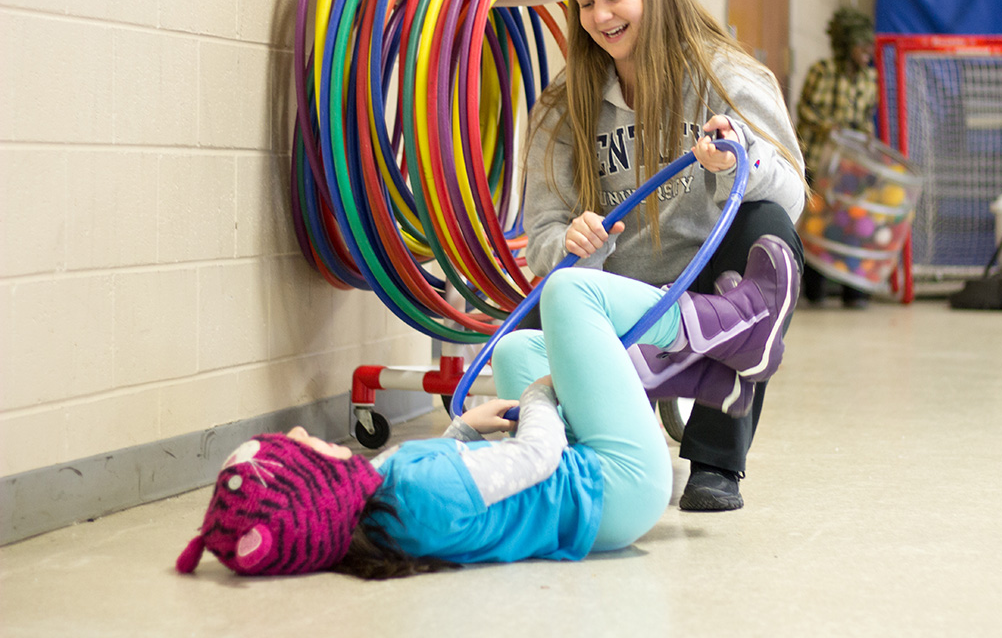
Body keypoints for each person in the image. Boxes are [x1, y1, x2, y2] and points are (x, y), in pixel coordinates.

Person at [176, 236, 799, 578]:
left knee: (522, 346)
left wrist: (461, 429)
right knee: (568, 293)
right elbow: (534, 454)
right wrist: (540, 398)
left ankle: (717, 382)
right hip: (618, 485)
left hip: (590, 500)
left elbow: (462, 480)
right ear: (311, 488)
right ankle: (739, 325)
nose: (294, 432)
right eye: (291, 451)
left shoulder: (384, 511)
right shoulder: (416, 492)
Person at [522, 0, 807, 513]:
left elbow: (792, 199)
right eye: (585, 4)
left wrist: (740, 164)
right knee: (524, 349)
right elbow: (543, 236)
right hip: (616, 297)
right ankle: (639, 399)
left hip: (707, 291)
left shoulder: (726, 76)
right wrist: (576, 244)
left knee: (767, 232)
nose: (600, 17)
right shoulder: (562, 102)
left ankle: (715, 462)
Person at [793, 7, 878, 309]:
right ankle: (815, 292)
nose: (868, 51)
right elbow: (804, 111)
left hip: (851, 167)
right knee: (818, 225)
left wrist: (865, 136)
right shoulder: (822, 71)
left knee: (851, 227)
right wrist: (829, 128)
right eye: (862, 45)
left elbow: (867, 117)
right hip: (819, 161)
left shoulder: (870, 79)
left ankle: (854, 293)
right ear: (846, 45)